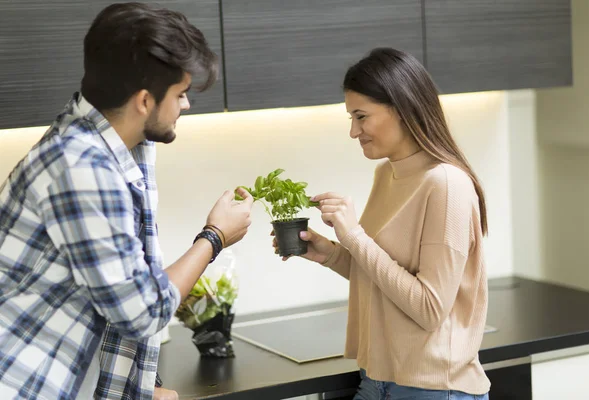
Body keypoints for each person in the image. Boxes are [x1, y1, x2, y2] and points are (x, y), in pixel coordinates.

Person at [0, 3, 253, 399]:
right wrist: (215, 236)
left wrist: (143, 388)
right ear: (143, 101)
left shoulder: (104, 135)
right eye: (181, 94)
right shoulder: (83, 167)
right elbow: (143, 313)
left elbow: (104, 284)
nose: (185, 105)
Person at [276, 48, 490, 399]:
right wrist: (331, 253)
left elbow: (429, 308)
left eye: (361, 116)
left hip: (431, 390)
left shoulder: (446, 184)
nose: (353, 131)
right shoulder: (386, 174)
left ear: (403, 109)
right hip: (376, 380)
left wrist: (355, 237)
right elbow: (388, 280)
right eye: (351, 118)